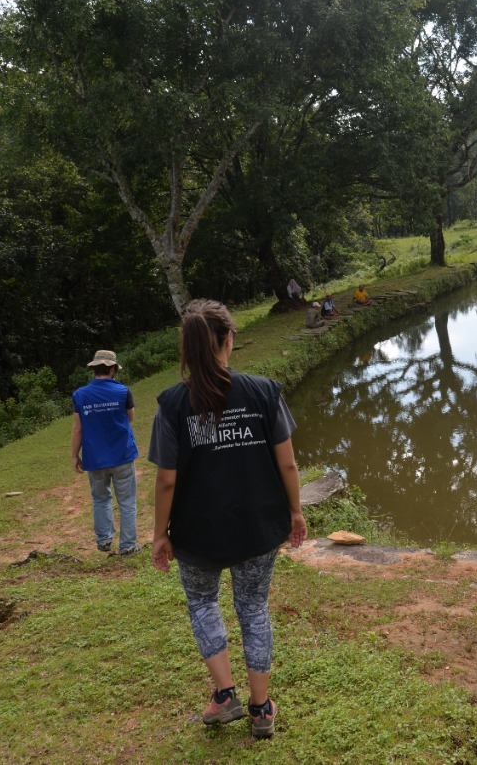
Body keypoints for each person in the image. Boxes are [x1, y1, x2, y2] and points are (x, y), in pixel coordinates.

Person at [149, 299, 308, 739]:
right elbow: (289, 466)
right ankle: (261, 709)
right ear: (228, 340)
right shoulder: (263, 392)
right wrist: (295, 512)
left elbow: (166, 481)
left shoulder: (172, 404)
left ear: (189, 346)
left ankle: (224, 697)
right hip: (256, 526)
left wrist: (159, 535)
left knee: (202, 603)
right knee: (253, 607)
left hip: (196, 533)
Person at [71, 350, 139, 555]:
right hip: (122, 455)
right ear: (112, 369)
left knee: (100, 499)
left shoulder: (80, 395)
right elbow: (130, 418)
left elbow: (78, 428)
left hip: (95, 458)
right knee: (126, 501)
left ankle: (104, 539)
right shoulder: (124, 391)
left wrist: (75, 455)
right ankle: (128, 546)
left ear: (94, 369)